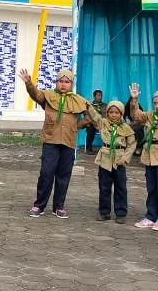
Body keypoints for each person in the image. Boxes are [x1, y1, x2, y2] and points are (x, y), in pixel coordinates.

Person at [20, 68, 91, 218]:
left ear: (71, 84)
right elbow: (35, 95)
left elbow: (92, 115)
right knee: (46, 173)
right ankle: (39, 205)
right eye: (60, 81)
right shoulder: (48, 96)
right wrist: (29, 83)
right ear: (56, 82)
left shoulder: (78, 99)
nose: (63, 84)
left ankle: (58, 206)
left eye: (67, 82)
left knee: (63, 175)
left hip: (68, 142)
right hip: (51, 141)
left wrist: (77, 126)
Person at [127, 84, 158, 231]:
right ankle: (150, 215)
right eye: (155, 103)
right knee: (151, 187)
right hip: (150, 155)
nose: (157, 106)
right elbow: (135, 115)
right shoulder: (149, 116)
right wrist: (134, 100)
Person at [84, 97, 137, 223]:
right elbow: (94, 116)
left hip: (119, 160)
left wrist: (125, 158)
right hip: (105, 158)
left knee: (120, 187)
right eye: (111, 112)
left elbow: (132, 145)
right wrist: (87, 106)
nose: (113, 115)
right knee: (104, 187)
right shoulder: (103, 123)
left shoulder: (126, 128)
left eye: (117, 112)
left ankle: (120, 213)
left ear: (121, 114)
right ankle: (104, 212)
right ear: (107, 113)